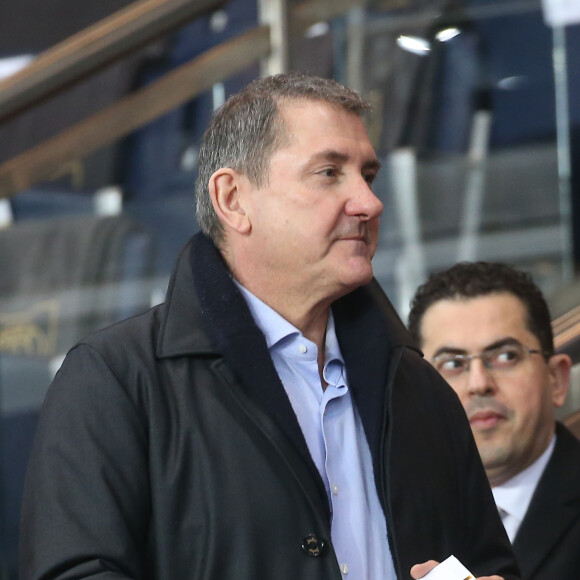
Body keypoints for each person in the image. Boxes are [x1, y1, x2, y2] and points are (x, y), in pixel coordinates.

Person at [20, 73, 518, 580]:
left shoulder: (422, 389)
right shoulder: (114, 380)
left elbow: (488, 564)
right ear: (233, 199)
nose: (369, 202)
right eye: (329, 172)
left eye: (368, 174)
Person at [408, 261, 579, 580]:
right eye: (453, 363)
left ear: (556, 379)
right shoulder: (396, 516)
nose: (479, 383)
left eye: (505, 356)